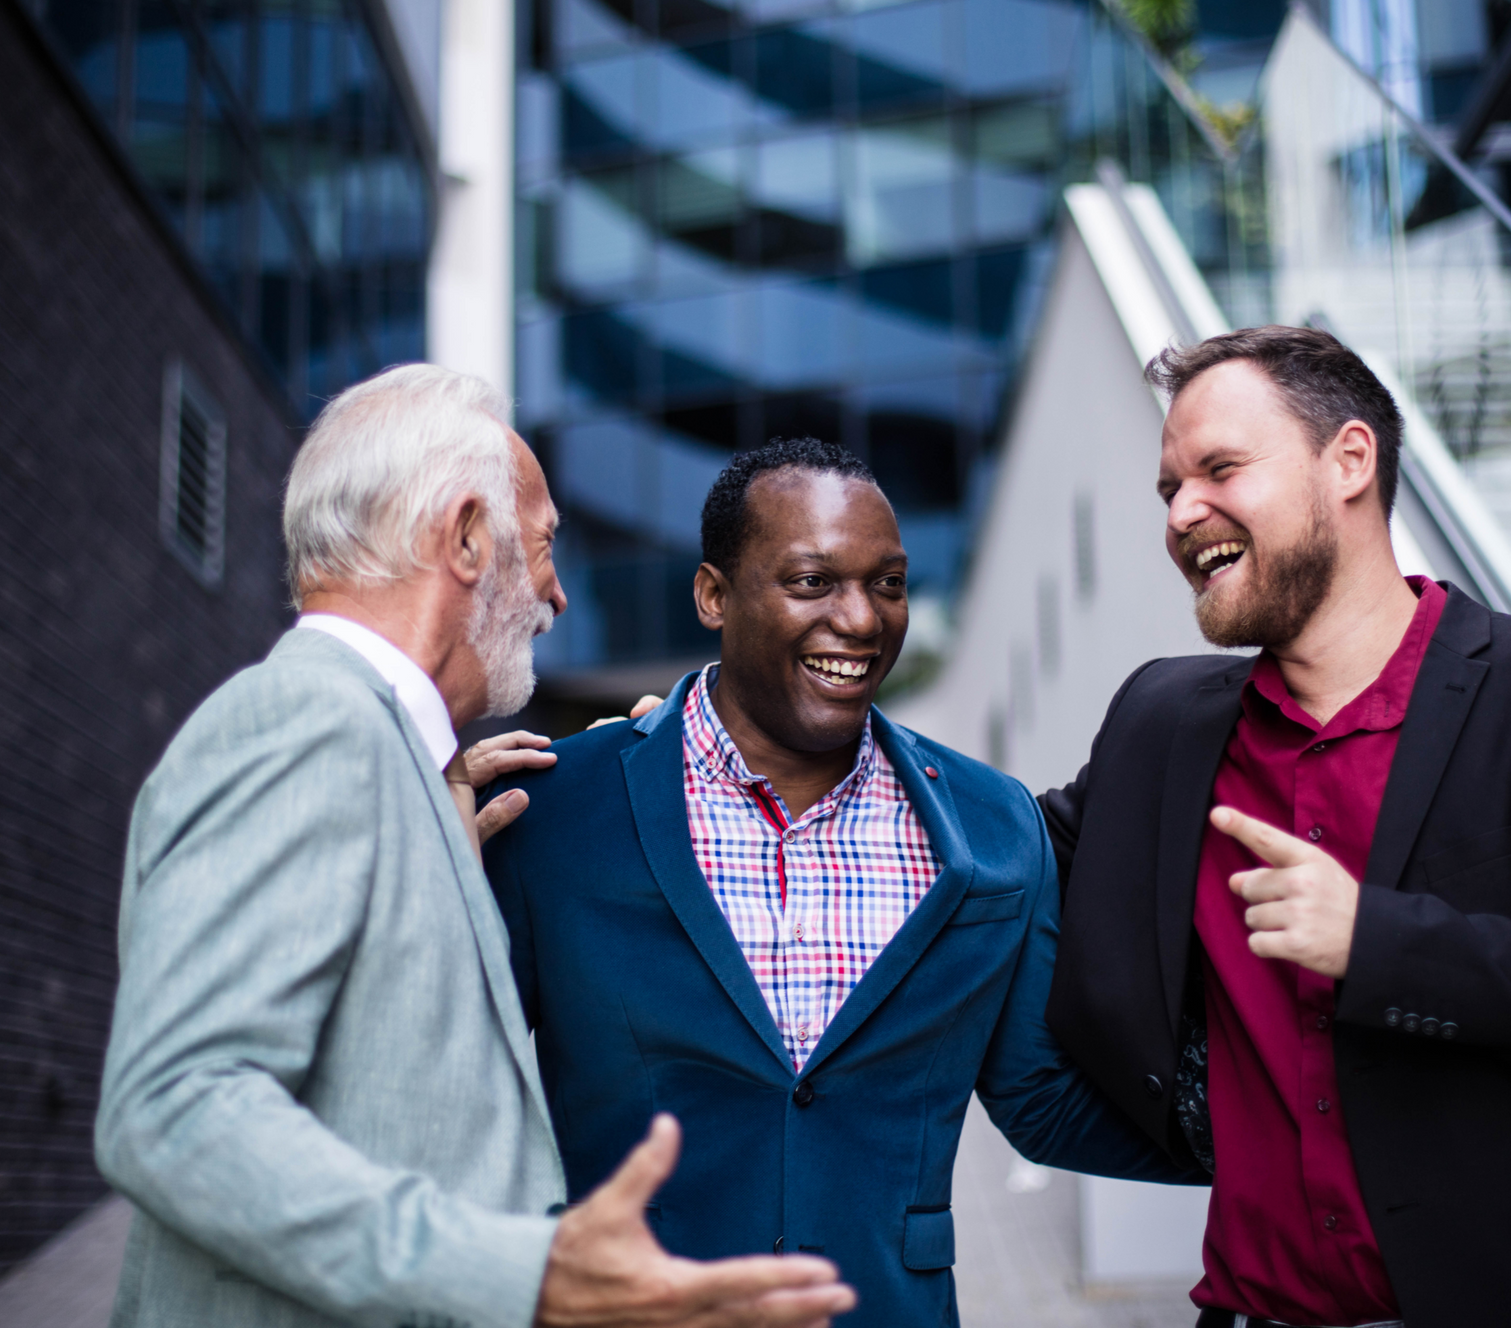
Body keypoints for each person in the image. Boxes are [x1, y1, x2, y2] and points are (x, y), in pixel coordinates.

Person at [95, 366, 855, 1328]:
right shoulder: (305, 724)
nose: (556, 595)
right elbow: (172, 1108)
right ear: (463, 539)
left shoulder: (405, 769)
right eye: (541, 548)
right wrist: (524, 1274)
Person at [1037, 326, 1511, 1328]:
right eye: (1168, 489)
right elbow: (1004, 861)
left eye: (1218, 469)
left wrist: (1379, 947)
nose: (1182, 511)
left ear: (1350, 462)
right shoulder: (1160, 723)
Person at [472, 438, 1196, 1328]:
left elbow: (1039, 1098)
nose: (860, 619)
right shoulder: (547, 812)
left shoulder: (993, 826)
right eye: (813, 581)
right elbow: (460, 1090)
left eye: (888, 583)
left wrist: (1302, 1138)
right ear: (714, 595)